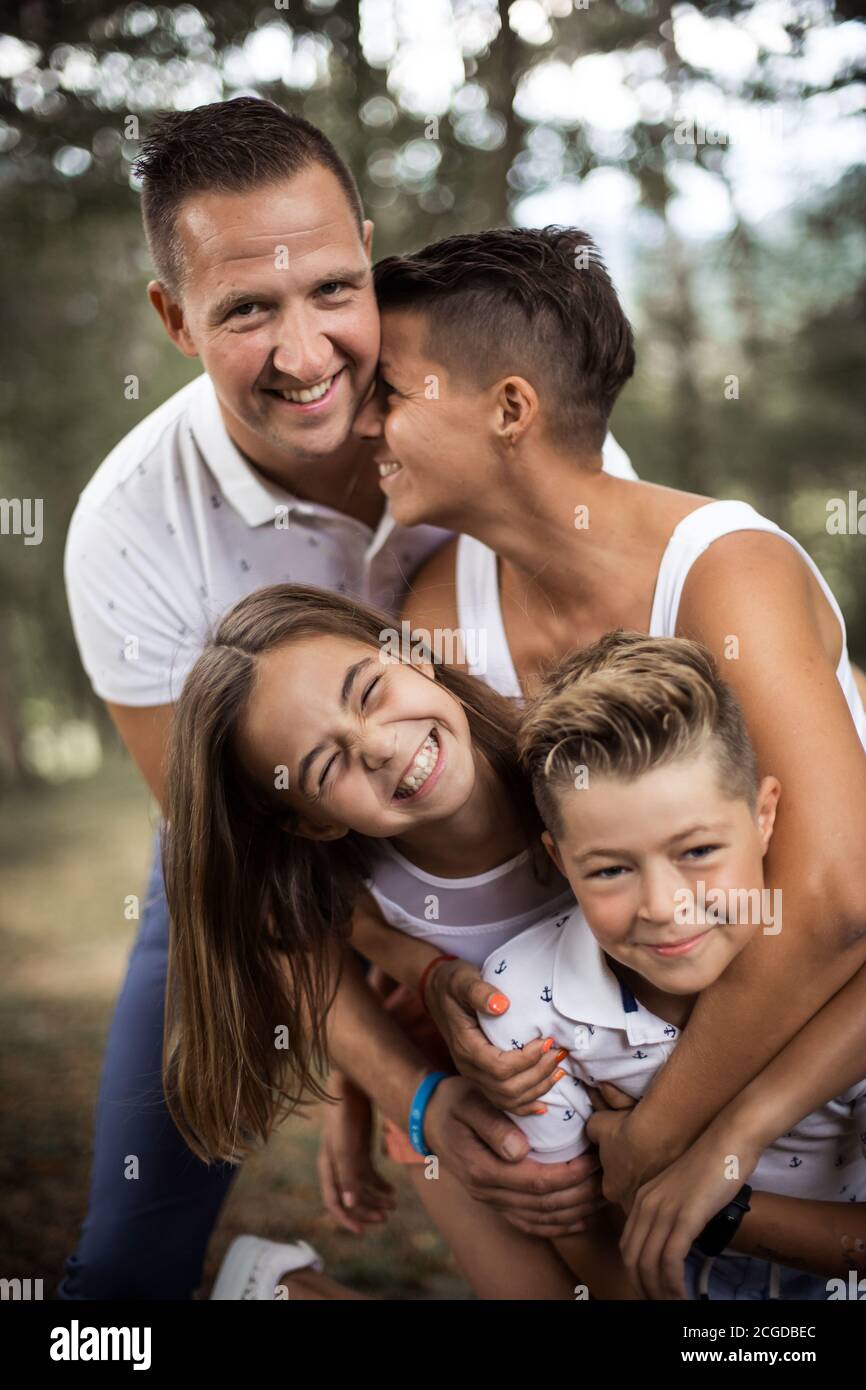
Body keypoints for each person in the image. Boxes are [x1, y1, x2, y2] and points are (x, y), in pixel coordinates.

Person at [61, 98, 631, 1299]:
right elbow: (257, 875)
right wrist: (406, 1077)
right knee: (123, 1277)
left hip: (529, 838)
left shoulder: (496, 412)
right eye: (245, 309)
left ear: (367, 251)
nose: (306, 352)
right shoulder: (129, 531)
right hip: (262, 869)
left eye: (330, 288)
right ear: (173, 318)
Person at [350, 224, 866, 1260]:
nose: (364, 424)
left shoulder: (725, 573)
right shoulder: (442, 609)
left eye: (391, 392)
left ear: (508, 408)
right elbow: (422, 874)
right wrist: (414, 1016)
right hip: (627, 1046)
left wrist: (658, 1143)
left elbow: (833, 900)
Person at [159, 581, 636, 1299]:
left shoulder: (578, 757)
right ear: (313, 822)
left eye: (369, 691)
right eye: (326, 767)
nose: (380, 747)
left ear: (411, 651)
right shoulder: (365, 890)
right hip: (475, 1112)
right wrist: (381, 1102)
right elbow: (354, 957)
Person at [477, 630, 866, 1300]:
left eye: (696, 852)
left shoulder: (842, 975)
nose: (664, 906)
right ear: (560, 859)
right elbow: (578, 1227)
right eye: (609, 869)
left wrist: (712, 1201)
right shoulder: (526, 1002)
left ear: (765, 816)